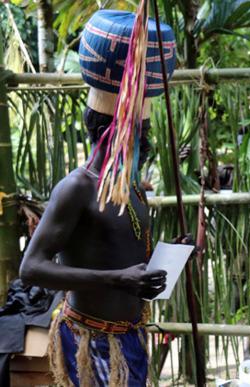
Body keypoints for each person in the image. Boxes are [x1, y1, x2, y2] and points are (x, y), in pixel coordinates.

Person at [18, 9, 176, 386]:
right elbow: (32, 268)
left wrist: (171, 256)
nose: (147, 137)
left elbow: (125, 259)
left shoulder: (132, 186)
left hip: (131, 337)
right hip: (92, 341)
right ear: (116, 132)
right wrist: (116, 279)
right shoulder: (77, 187)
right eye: (141, 129)